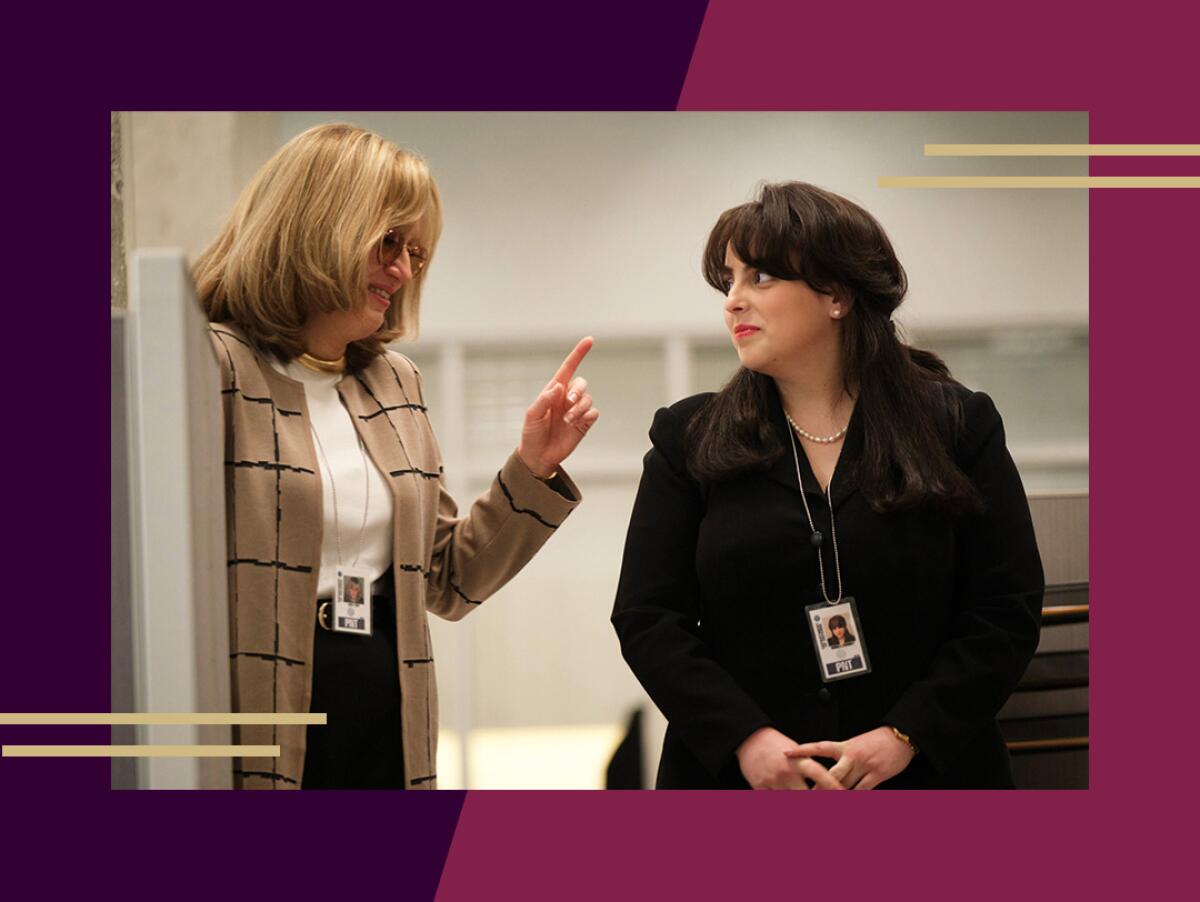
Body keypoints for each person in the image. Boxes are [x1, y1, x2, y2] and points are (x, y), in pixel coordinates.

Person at [194, 123, 599, 789]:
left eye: (417, 253)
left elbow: (446, 580)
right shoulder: (216, 364)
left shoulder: (395, 381)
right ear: (317, 226)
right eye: (388, 242)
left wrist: (532, 470)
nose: (405, 270)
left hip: (390, 708)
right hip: (263, 710)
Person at [611, 182, 1043, 790]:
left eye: (759, 277)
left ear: (837, 294)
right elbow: (647, 616)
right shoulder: (689, 437)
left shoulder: (957, 426)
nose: (734, 301)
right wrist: (746, 739)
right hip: (742, 780)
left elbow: (1006, 609)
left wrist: (904, 735)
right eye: (728, 282)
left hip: (927, 774)